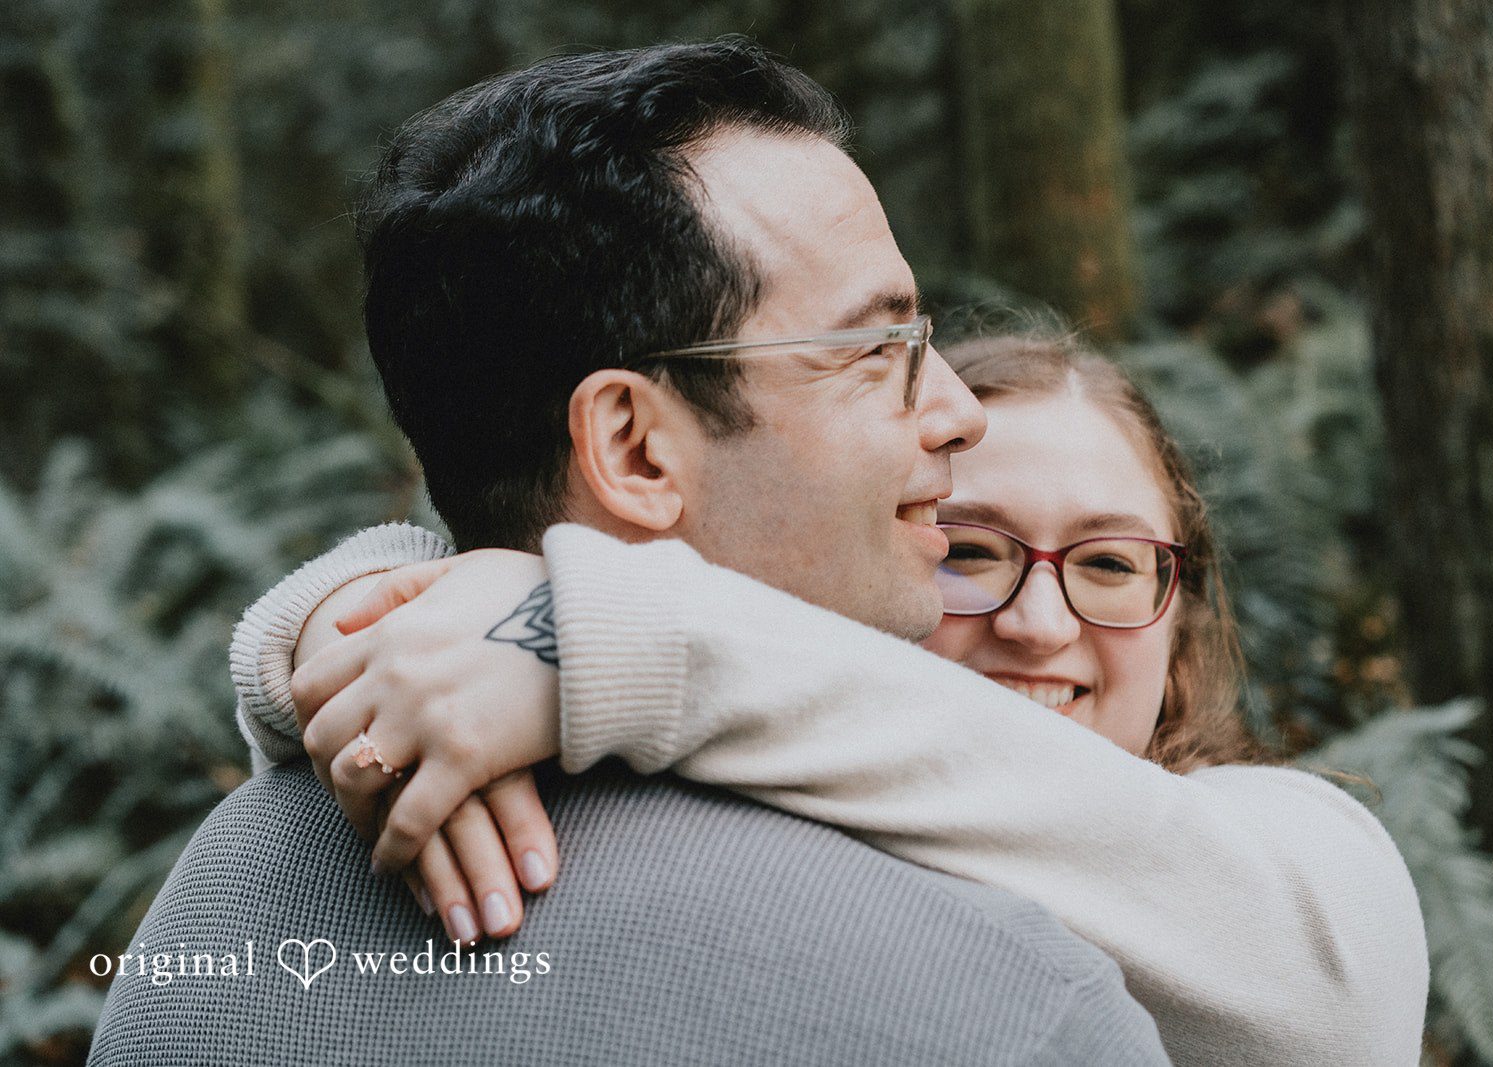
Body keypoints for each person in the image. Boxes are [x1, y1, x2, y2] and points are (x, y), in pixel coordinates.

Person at [91, 38, 1171, 1067]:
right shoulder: (1012, 999)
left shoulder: (210, 914)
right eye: (877, 347)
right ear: (634, 446)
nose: (952, 410)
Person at [243, 331, 1430, 1065]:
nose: (1039, 619)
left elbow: (1326, 1006)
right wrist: (403, 618)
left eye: (1112, 563)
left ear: (1181, 617)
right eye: (972, 548)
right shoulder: (731, 791)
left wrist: (579, 624)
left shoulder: (1287, 843)